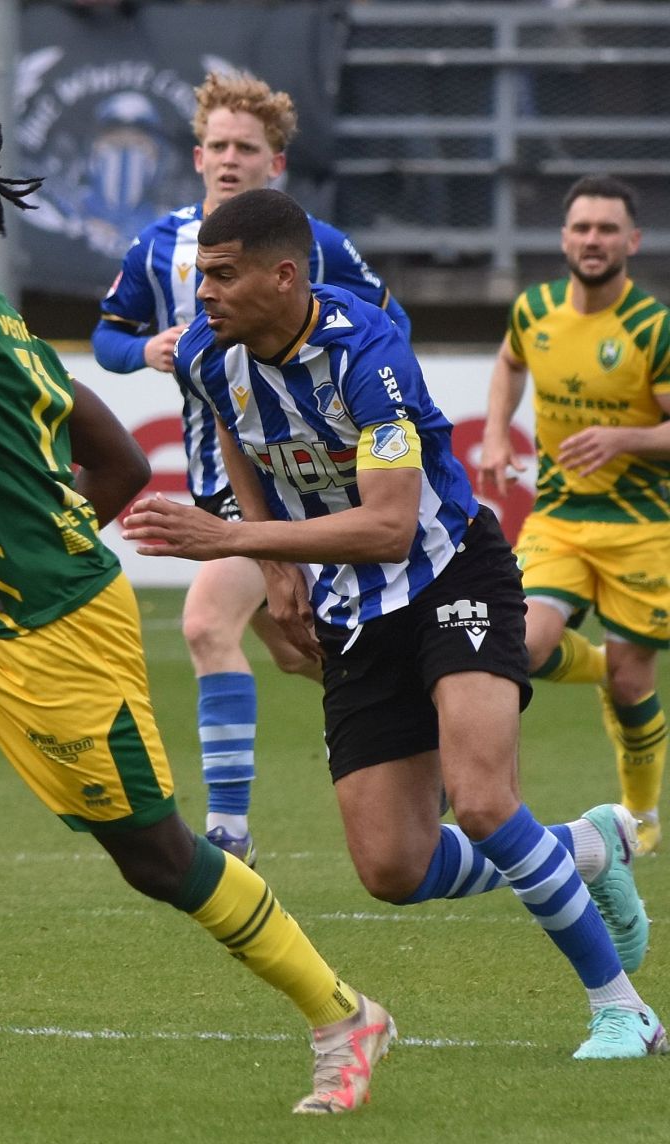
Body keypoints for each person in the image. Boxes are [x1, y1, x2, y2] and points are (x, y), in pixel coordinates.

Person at [0, 110, 400, 1115]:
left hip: (50, 635)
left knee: (157, 855)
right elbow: (120, 462)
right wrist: (48, 536)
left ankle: (342, 1010)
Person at [123, 188, 662, 1060]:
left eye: (223, 276)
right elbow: (233, 432)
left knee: (485, 802)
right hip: (353, 606)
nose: (205, 294)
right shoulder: (203, 350)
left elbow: (390, 526)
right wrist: (273, 565)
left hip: (453, 574)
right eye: (200, 278)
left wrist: (231, 535)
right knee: (392, 869)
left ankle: (622, 1008)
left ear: (284, 276)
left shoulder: (367, 355)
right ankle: (586, 846)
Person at [92, 72, 411, 867]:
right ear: (198, 156)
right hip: (223, 484)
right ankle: (417, 728)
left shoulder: (314, 247)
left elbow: (388, 324)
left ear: (276, 164)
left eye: (248, 148)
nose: (230, 160)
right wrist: (144, 350)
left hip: (295, 490)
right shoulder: (159, 246)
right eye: (219, 147)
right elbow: (106, 335)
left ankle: (229, 832)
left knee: (205, 624)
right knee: (303, 651)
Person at [480, 174, 670, 856]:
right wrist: (498, 432)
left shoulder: (653, 327)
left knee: (632, 681)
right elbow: (509, 364)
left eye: (607, 229)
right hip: (558, 516)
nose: (593, 240)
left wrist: (626, 437)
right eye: (582, 228)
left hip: (642, 525)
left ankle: (643, 814)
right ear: (564, 238)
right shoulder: (535, 310)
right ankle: (589, 665)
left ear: (632, 241)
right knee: (517, 646)